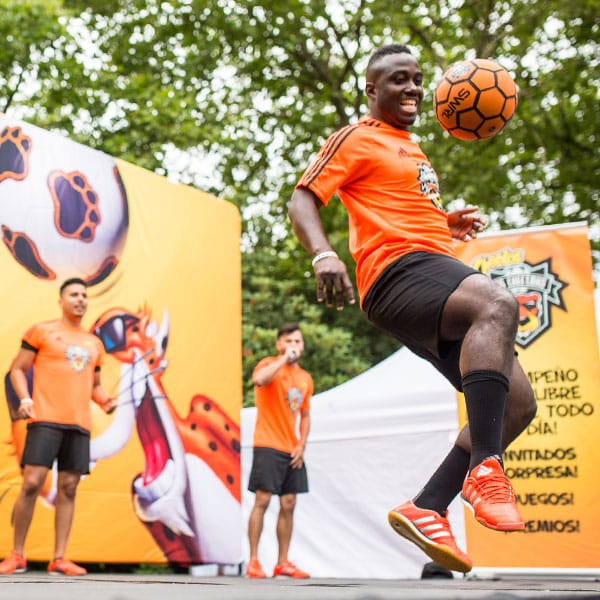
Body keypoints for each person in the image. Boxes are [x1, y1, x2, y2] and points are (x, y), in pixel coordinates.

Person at [288, 44, 537, 573]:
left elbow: (393, 211)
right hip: (395, 274)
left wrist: (445, 224)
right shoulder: (356, 137)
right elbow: (302, 198)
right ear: (371, 91)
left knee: (517, 403)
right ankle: (486, 469)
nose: (413, 89)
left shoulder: (411, 149)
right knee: (496, 302)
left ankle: (427, 506)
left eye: (418, 79)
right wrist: (324, 254)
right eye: (398, 80)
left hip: (421, 265)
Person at [0, 277, 116, 576]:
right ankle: (17, 554)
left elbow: (96, 386)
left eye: (84, 295)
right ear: (61, 300)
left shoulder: (94, 343)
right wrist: (24, 398)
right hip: (44, 419)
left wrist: (105, 401)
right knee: (32, 483)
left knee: (68, 487)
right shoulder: (42, 331)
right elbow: (16, 369)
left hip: (78, 424)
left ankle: (59, 558)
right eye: (74, 294)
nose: (80, 299)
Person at [246, 322, 313, 579]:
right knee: (262, 500)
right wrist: (284, 359)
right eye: (289, 341)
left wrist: (302, 444)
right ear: (279, 344)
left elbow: (305, 415)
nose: (294, 346)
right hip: (267, 443)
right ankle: (253, 561)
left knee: (289, 502)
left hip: (291, 447)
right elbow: (259, 380)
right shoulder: (268, 365)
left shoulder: (305, 378)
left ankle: (282, 562)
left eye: (297, 341)